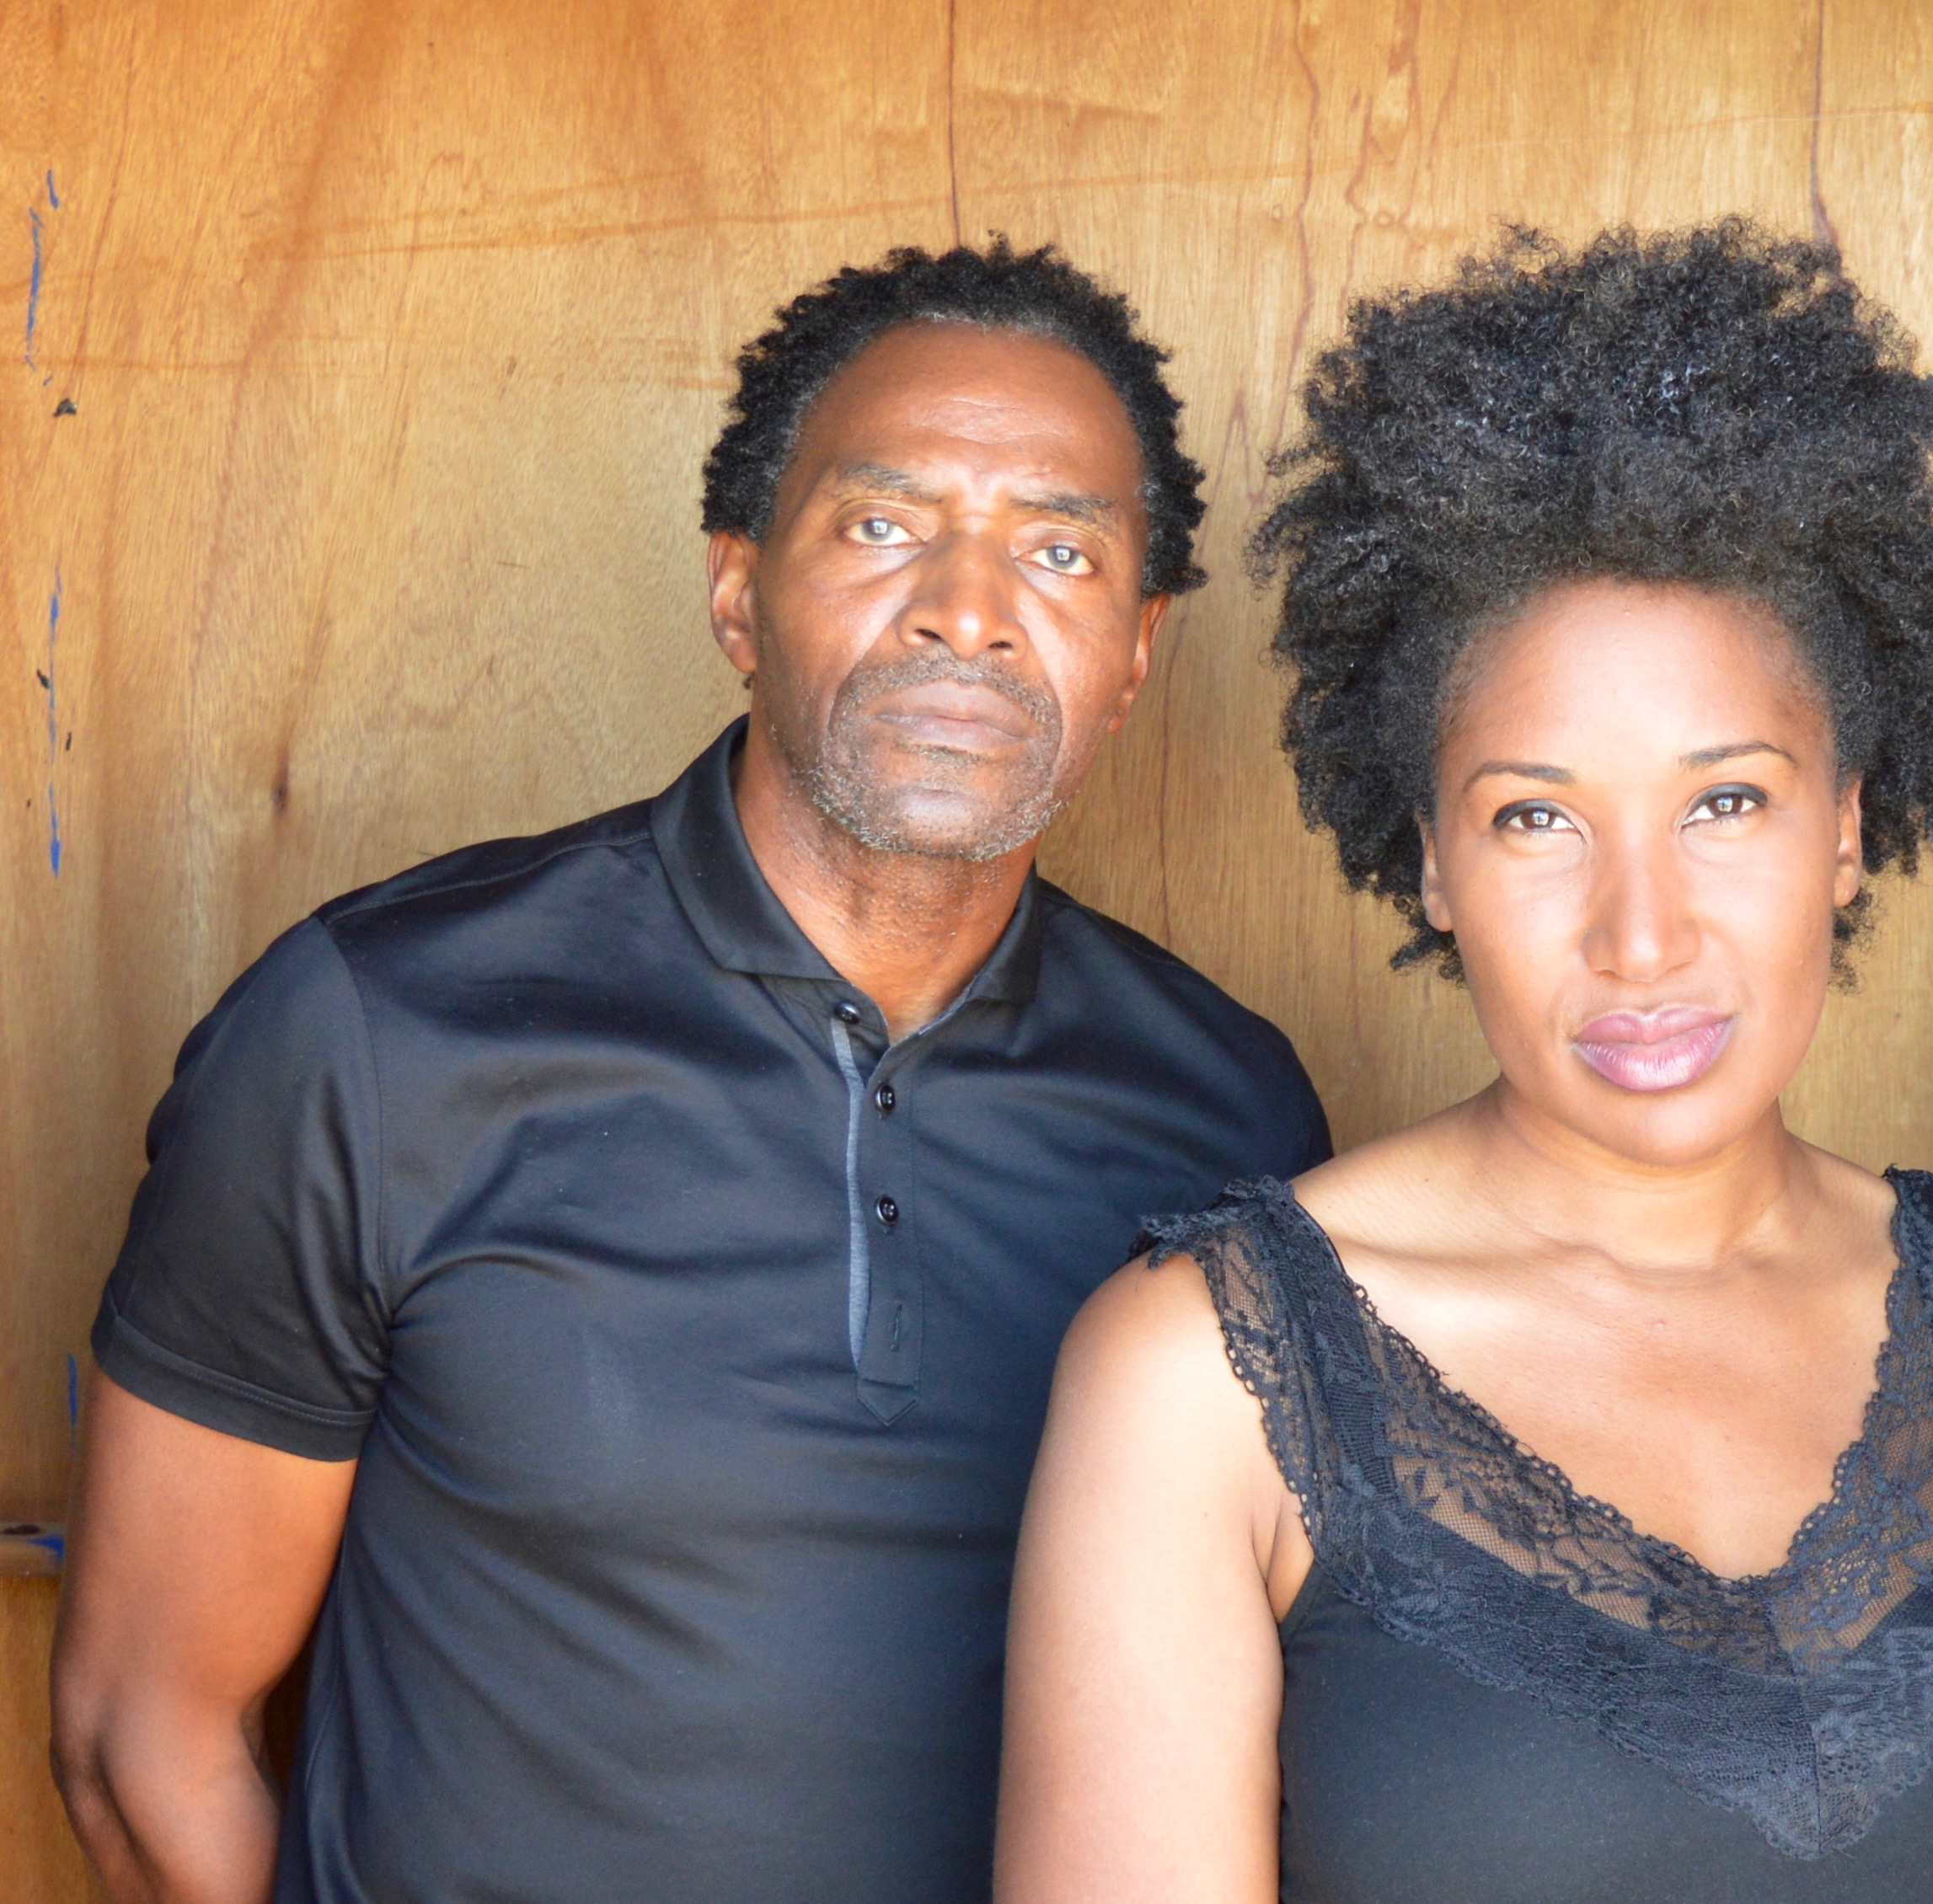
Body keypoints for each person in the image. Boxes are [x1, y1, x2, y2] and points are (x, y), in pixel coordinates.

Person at [51, 241, 1331, 1904]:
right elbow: (142, 1733)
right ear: (738, 591)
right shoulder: (380, 1033)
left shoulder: (1228, 1111)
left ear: (1137, 651)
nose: (968, 606)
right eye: (882, 526)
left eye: (1061, 549)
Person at [998, 222, 1933, 1903]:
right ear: (1431, 858)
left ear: (1849, 826)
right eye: (1534, 818)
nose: (1640, 931)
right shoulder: (1202, 1378)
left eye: (1725, 800)